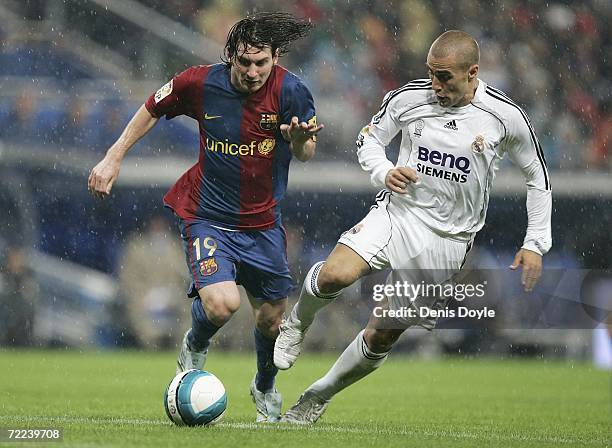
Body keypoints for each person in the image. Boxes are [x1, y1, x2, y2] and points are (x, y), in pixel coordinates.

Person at [274, 30, 552, 423]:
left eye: (444, 77)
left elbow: (537, 178)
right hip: (399, 214)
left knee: (382, 333)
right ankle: (297, 322)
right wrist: (384, 170)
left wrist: (535, 243)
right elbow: (368, 140)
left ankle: (319, 394)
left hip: (448, 240)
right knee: (335, 275)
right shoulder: (409, 98)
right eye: (431, 73)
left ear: (472, 72)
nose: (435, 85)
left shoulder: (505, 117)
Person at [88, 12, 322, 422]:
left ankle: (264, 384)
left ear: (275, 58)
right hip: (207, 215)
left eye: (261, 63)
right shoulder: (198, 83)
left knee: (272, 320)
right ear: (229, 56)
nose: (252, 72)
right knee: (221, 305)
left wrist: (301, 141)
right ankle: (195, 344)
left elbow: (305, 153)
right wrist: (114, 154)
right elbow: (151, 107)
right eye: (244, 62)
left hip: (263, 224)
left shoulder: (292, 91)